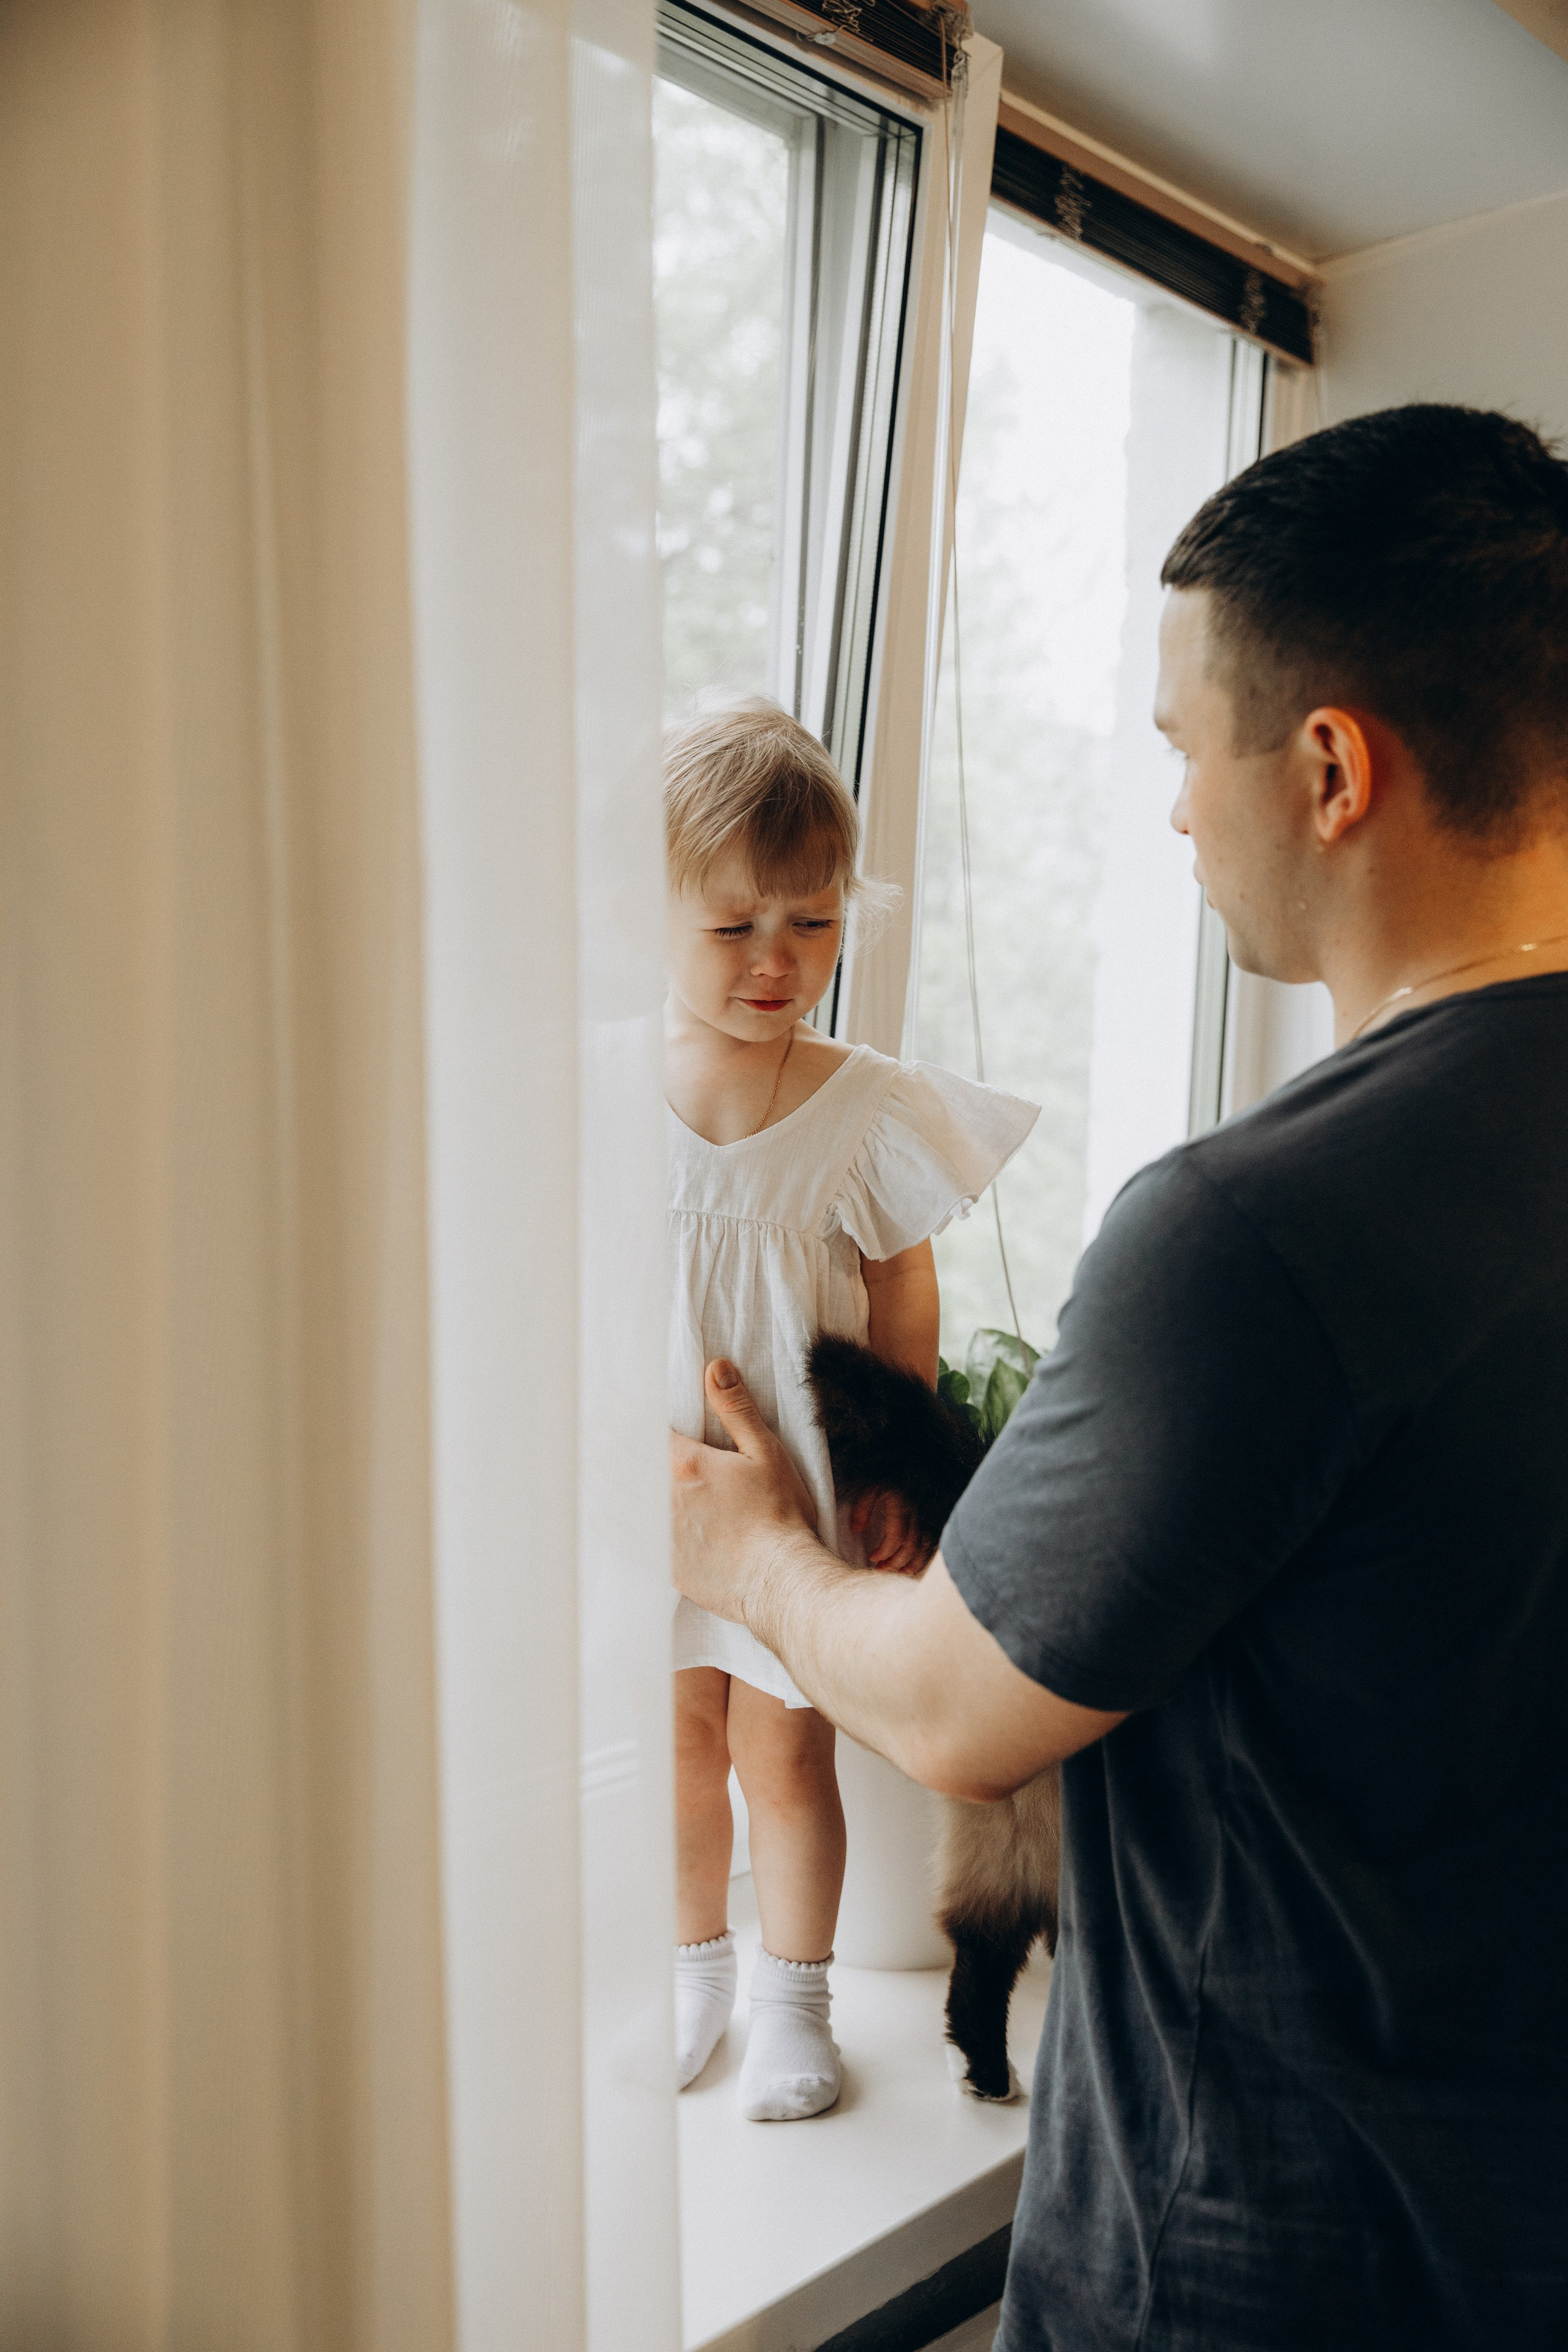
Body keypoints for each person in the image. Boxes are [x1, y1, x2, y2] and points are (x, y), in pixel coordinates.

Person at [669, 405, 1568, 2343]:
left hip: (1279, 2274)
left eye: (1182, 749)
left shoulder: (1264, 1231)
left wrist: (748, 1560)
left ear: (1330, 766)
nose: (1172, 813)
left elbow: (958, 1709)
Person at [662, 699, 1036, 2120]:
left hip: (798, 1491)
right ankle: (693, 1969)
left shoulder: (860, 1104)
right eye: (732, 928)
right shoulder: (600, 1075)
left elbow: (903, 1301)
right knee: (681, 1738)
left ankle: (792, 1998)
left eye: (812, 926)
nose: (777, 962)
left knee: (782, 1743)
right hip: (657, 1486)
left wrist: (893, 1480)